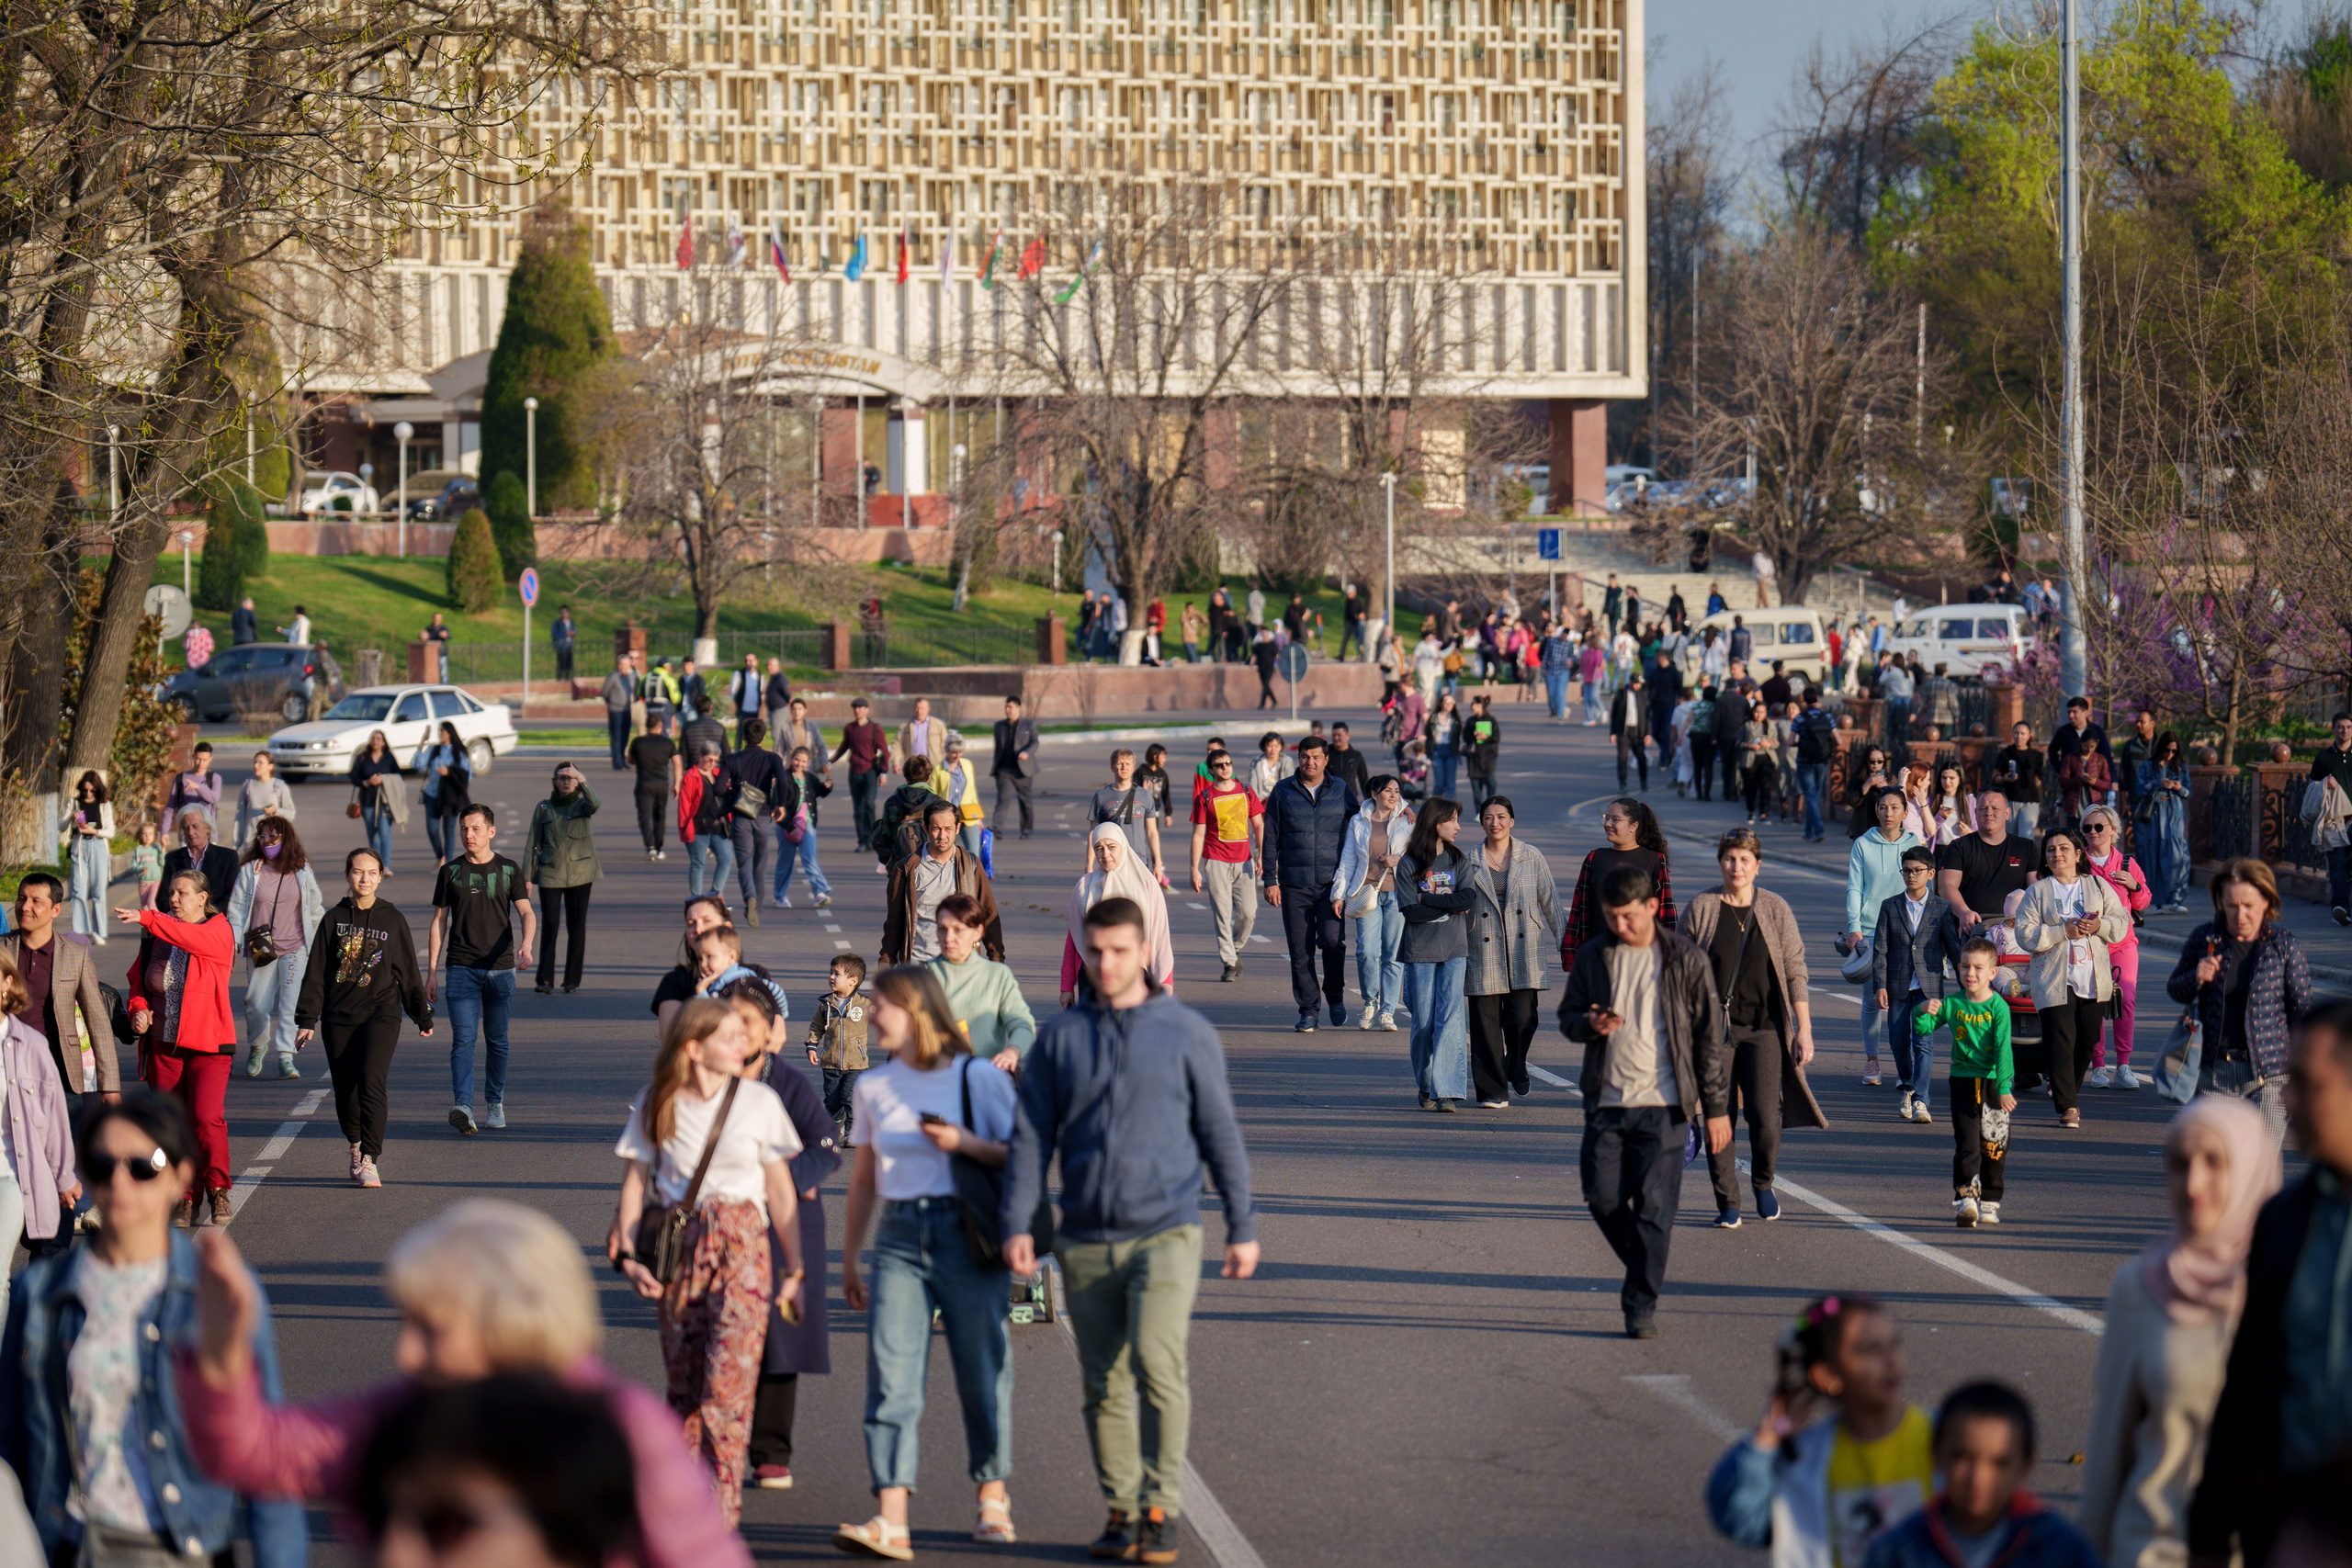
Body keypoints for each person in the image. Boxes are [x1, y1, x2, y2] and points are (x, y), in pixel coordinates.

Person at [1003, 896, 1257, 1563]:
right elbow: (1031, 1136)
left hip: (1166, 1230)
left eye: (1120, 950)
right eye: (1096, 952)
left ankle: (1160, 1506)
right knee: (1102, 1379)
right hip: (1084, 1234)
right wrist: (1024, 1222)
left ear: (1144, 951)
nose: (1107, 964)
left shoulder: (1186, 1032)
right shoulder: (1062, 1037)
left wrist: (1242, 1223)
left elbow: (1219, 1132)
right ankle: (1120, 1507)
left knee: (1156, 1360)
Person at [0, 1092, 309, 1568]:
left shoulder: (218, 1292)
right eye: (103, 1164)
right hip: (75, 1546)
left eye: (146, 1164)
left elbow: (265, 1452)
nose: (121, 1181)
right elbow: (14, 1441)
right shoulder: (41, 1293)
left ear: (180, 1177)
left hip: (186, 1548)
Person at [832, 966, 1018, 1559]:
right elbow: (864, 1178)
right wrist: (851, 1258)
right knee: (892, 1377)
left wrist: (962, 1143)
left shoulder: (975, 1078)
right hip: (899, 1236)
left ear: (914, 1011)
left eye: (880, 1005)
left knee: (980, 1369)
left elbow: (1020, 1154)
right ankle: (892, 1518)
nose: (871, 1013)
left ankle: (993, 1497)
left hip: (966, 1231)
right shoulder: (874, 1088)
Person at [607, 998, 804, 1526]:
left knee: (727, 1383)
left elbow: (781, 1192)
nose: (744, 1043)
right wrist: (628, 1257)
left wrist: (797, 1270)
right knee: (686, 1384)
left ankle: (719, 1515)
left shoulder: (760, 1101)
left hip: (745, 1245)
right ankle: (682, 1504)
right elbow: (635, 1185)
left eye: (745, 1035)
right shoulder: (657, 1100)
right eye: (730, 1036)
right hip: (681, 1246)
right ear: (695, 1048)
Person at [2079, 1095, 2279, 1568]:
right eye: (2179, 1164)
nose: (2194, 1184)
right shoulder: (2140, 1288)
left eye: (2215, 1163)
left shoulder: (2292, 1290)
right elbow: (2109, 1454)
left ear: (2252, 1168)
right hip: (2150, 1552)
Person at [2187, 999, 2352, 1568]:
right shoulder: (2284, 1220)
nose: (2286, 1099)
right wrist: (2210, 1525)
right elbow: (2250, 1378)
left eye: (2307, 1084)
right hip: (2288, 1526)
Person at [1557, 863, 1729, 1337]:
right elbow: (1568, 1016)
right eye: (1612, 917)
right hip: (1608, 1102)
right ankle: (1645, 1264)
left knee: (1655, 1208)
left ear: (1652, 907)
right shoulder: (1595, 957)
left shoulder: (1685, 959)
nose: (1621, 926)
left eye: (1629, 916)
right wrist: (1589, 1024)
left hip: (1666, 1105)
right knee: (1602, 1198)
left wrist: (1715, 1110)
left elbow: (1709, 1040)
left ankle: (1640, 1306)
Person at [711, 976, 839, 1495]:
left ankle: (770, 1452)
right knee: (719, 1337)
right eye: (730, 1024)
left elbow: (826, 1147)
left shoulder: (786, 1083)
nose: (740, 1036)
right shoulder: (702, 1077)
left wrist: (786, 1183)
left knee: (778, 1341)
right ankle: (718, 1447)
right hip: (720, 1225)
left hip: (786, 1225)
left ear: (770, 1033)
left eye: (751, 1026)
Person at [1706, 1293, 1933, 1568]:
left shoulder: (1943, 1438)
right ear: (1827, 1376)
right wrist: (1765, 1441)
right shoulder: (1808, 1460)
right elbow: (1742, 1521)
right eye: (1870, 1349)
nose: (1891, 1360)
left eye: (1894, 1344)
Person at [1684, 827, 1826, 1226]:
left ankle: (1763, 1183)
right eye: (1730, 859)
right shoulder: (1703, 907)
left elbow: (1796, 969)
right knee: (1719, 1116)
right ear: (1720, 862)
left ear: (1758, 866)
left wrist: (1804, 1028)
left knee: (1765, 1115)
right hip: (1713, 1035)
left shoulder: (1776, 909)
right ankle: (1727, 1201)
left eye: (1745, 860)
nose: (1737, 867)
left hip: (1764, 1029)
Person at [292, 847, 431, 1188]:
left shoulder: (392, 920)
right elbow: (316, 973)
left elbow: (408, 972)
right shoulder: (333, 920)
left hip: (381, 1011)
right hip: (339, 1014)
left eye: (371, 872)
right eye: (358, 872)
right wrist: (307, 1019)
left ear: (380, 876)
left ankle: (370, 1157)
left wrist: (421, 1014)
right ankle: (354, 1145)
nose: (365, 878)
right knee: (345, 1090)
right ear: (348, 875)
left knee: (372, 1079)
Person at [2165, 859, 2313, 1148]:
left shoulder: (2283, 945)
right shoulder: (2204, 938)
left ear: (2266, 902)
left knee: (2262, 1165)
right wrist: (2197, 976)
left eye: (2248, 905)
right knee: (2220, 1163)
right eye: (2232, 905)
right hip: (2214, 1075)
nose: (2240, 914)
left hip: (2270, 1078)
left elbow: (2302, 1012)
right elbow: (2176, 989)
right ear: (2220, 902)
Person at [119, 871, 240, 1226]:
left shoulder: (218, 930)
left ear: (203, 898)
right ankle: (185, 1197)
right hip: (164, 1046)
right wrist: (138, 1010)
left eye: (182, 893)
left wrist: (147, 917)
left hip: (209, 1045)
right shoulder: (159, 936)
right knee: (171, 1124)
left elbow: (190, 938)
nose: (174, 899)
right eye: (170, 893)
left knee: (205, 1117)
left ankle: (218, 1188)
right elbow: (138, 982)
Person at [427, 804, 536, 1137]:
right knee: (463, 1039)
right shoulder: (451, 872)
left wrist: (527, 944)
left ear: (491, 831)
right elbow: (439, 922)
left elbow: (526, 913)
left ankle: (494, 1103)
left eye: (475, 829)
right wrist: (431, 971)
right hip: (460, 967)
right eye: (464, 829)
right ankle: (463, 1106)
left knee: (498, 1040)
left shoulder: (508, 870)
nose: (468, 835)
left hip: (501, 969)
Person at [2014, 827, 2131, 1129]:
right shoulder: (2037, 892)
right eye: (2050, 850)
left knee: (2086, 1042)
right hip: (2054, 980)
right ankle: (2068, 1105)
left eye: (2064, 848)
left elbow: (2120, 923)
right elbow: (2025, 934)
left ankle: (2067, 1089)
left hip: (2093, 979)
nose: (2057, 854)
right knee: (2060, 1040)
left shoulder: (2097, 886)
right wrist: (2060, 932)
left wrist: (2098, 926)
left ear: (2078, 854)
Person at [1463, 795, 1559, 1106]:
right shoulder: (1469, 860)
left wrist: (1567, 942)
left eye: (1502, 816)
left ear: (1512, 821)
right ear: (1482, 822)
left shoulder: (1531, 856)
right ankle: (1492, 1090)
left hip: (1524, 947)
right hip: (1483, 948)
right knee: (1485, 1025)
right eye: (1489, 817)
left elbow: (1551, 902)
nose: (1496, 823)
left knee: (1523, 1018)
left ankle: (1516, 1064)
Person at [0, 949, 80, 1317]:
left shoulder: (30, 1045)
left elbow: (53, 1117)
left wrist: (64, 1177)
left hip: (10, 1178)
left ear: (7, 984)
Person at [1915, 939, 2017, 1226]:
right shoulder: (1953, 1003)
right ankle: (1966, 1199)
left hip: (1994, 1084)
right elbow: (1924, 1028)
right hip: (1962, 1081)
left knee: (1994, 1146)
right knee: (1967, 1144)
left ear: (1992, 973)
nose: (1970, 973)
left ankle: (1990, 1202)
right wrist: (1922, 1010)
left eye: (1978, 968)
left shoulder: (1998, 1007)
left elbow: (2002, 1048)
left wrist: (2005, 1087)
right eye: (1964, 966)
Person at [5, 873, 120, 1122]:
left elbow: (98, 1021)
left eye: (36, 901)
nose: (25, 907)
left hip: (61, 1074)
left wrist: (110, 1085)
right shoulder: (2, 950)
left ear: (55, 909)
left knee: (62, 1158)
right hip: (8, 1071)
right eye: (21, 898)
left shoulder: (75, 955)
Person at [1262, 735, 1359, 1034]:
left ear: (1326, 759)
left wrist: (1401, 809)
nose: (1310, 762)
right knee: (1300, 950)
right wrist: (1270, 880)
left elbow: (1364, 822)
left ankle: (1334, 992)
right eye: (1305, 756)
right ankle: (1308, 1009)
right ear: (1299, 758)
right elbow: (1270, 837)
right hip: (1294, 885)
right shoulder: (1283, 791)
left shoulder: (1341, 789)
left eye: (1316, 757)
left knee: (1333, 941)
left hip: (1332, 886)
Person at [225, 816, 324, 1081]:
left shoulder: (302, 870)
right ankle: (258, 1046)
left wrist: (319, 947)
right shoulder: (251, 871)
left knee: (290, 1004)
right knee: (256, 1004)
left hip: (295, 946)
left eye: (273, 836)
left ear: (286, 839)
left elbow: (315, 910)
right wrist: (232, 943)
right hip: (260, 947)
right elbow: (236, 911)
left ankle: (285, 1056)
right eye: (263, 837)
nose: (267, 841)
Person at [1873, 846, 1963, 1115]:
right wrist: (1879, 984)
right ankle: (1910, 1083)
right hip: (1897, 985)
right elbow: (1880, 949)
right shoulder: (1890, 906)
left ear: (1930, 873)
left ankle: (1921, 1100)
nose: (1911, 875)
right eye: (1906, 871)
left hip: (1929, 986)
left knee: (1923, 1042)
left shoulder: (1942, 908)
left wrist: (1967, 981)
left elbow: (1953, 947)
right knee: (1898, 1042)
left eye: (1917, 871)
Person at [1396, 798, 1474, 1111]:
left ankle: (1447, 1091)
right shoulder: (1409, 864)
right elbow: (1411, 911)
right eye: (1452, 820)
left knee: (1450, 1018)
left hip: (1455, 947)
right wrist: (1448, 901)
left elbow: (1467, 898)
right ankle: (1426, 1084)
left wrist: (1427, 896)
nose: (1458, 826)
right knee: (1424, 1021)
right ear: (1435, 822)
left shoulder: (1458, 859)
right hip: (1421, 951)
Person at [1845, 789, 1925, 1086]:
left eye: (1895, 807)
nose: (1889, 813)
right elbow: (1855, 887)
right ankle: (1872, 1060)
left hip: (1906, 930)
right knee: (1871, 999)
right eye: (1883, 807)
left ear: (1905, 812)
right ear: (1876, 811)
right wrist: (1854, 926)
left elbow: (1923, 887)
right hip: (1869, 928)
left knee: (1906, 998)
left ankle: (1906, 1066)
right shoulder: (1863, 844)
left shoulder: (1913, 843)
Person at [2080, 805, 2153, 1089]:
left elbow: (2143, 902)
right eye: (2087, 828)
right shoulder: (2079, 862)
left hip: (2123, 942)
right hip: (2089, 942)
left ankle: (2123, 1065)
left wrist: (2135, 886)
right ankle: (2098, 1066)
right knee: (2095, 1000)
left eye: (2098, 827)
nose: (2093, 833)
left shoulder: (2126, 863)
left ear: (2112, 830)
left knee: (2126, 998)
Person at [1061, 823, 1174, 1006]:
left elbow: (1159, 934)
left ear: (1123, 846)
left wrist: (1165, 982)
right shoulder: (1084, 887)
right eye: (1099, 848)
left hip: (1133, 973)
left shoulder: (1146, 883)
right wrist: (1066, 987)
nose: (1105, 854)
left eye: (1112, 847)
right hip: (1092, 975)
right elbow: (1074, 938)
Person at [881, 801, 1004, 966]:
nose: (942, 836)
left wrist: (996, 959)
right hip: (920, 966)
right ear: (925, 829)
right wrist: (886, 964)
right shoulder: (906, 869)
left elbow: (988, 913)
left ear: (958, 829)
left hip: (961, 966)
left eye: (948, 829)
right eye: (936, 829)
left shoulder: (971, 865)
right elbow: (893, 923)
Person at [924, 894, 1035, 1075]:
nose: (948, 937)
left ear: (978, 932)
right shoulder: (924, 975)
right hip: (936, 1080)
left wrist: (1012, 1051)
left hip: (987, 1078)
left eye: (958, 930)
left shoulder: (997, 975)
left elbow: (1023, 1025)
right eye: (942, 929)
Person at [1333, 774, 1410, 1031]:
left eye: (1397, 791)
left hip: (1397, 894)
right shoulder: (1358, 821)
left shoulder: (1407, 820)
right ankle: (1370, 1002)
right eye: (1388, 790)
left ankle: (1387, 1011)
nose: (1393, 795)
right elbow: (1348, 860)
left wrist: (1398, 859)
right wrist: (1338, 894)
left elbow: (1419, 854)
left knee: (1393, 954)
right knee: (1367, 951)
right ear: (1374, 794)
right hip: (1366, 894)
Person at [1561, 796, 1676, 963]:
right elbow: (1580, 910)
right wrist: (1574, 953)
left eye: (1615, 819)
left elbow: (1666, 914)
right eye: (1606, 818)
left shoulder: (1654, 860)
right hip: (1599, 956)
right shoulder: (1594, 858)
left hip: (1641, 958)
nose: (1608, 824)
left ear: (1633, 826)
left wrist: (1667, 954)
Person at [522, 761, 603, 994]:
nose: (566, 781)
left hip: (581, 873)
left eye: (571, 778)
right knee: (550, 923)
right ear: (554, 782)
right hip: (550, 872)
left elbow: (595, 803)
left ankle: (571, 980)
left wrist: (582, 777)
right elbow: (531, 843)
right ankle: (545, 979)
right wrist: (526, 876)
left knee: (577, 926)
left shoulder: (582, 805)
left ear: (578, 783)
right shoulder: (544, 808)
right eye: (562, 777)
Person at [1191, 749, 1264, 983]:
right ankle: (1229, 962)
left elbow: (1259, 825)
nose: (1225, 768)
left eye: (1228, 763)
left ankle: (1235, 948)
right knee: (1222, 914)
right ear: (1211, 770)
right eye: (1220, 765)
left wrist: (1262, 854)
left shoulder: (1245, 791)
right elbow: (1198, 834)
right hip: (1216, 862)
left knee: (1248, 913)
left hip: (1244, 862)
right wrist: (1194, 868)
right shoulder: (1204, 797)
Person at [1937, 790, 2040, 934]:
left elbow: (2035, 887)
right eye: (1983, 808)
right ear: (1975, 812)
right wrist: (1964, 912)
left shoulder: (2026, 847)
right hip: (1973, 929)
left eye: (1995, 808)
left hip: (2015, 930)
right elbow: (1946, 886)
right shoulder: (1959, 847)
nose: (1988, 812)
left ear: (2007, 813)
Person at [719, 720, 788, 925]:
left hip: (741, 817)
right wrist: (781, 805)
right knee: (760, 865)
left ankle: (749, 896)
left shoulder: (732, 759)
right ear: (764, 738)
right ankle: (756, 907)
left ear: (743, 737)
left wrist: (734, 792)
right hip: (764, 815)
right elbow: (783, 781)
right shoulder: (772, 758)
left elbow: (717, 788)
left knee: (744, 864)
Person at [808, 953, 870, 1142]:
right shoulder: (826, 1005)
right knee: (833, 1100)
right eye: (831, 973)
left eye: (837, 973)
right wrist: (812, 1046)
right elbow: (816, 1027)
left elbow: (884, 1018)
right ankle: (836, 1129)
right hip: (831, 1062)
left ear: (853, 980)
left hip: (856, 1064)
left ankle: (853, 1132)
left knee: (849, 1098)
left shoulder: (865, 1004)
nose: (831, 977)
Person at [1090, 747, 1165, 881]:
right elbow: (1093, 834)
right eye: (1119, 764)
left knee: (1137, 901)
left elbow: (1152, 832)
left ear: (1133, 767)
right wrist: (1089, 864)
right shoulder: (1101, 796)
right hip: (1111, 861)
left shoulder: (1144, 795)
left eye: (1128, 764)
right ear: (1112, 767)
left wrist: (1158, 863)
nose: (1124, 767)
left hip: (1138, 860)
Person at [775, 745, 834, 910]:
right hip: (786, 825)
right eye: (796, 760)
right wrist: (788, 826)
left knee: (810, 858)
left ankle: (819, 893)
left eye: (803, 761)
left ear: (808, 763)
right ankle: (779, 896)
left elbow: (819, 792)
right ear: (791, 759)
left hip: (806, 823)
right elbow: (776, 806)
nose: (799, 764)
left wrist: (828, 786)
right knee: (785, 862)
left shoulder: (809, 778)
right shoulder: (783, 779)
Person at [2140, 733, 2192, 912]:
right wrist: (2156, 783)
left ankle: (2176, 899)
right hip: (2154, 814)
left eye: (2174, 751)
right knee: (2154, 856)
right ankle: (2158, 901)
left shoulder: (2180, 767)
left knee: (2177, 857)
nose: (2170, 754)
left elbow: (2188, 792)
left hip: (2173, 813)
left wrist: (2178, 787)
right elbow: (2138, 788)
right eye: (2167, 750)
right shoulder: (2147, 766)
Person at [677, 747, 738, 897]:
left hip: (718, 826)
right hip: (698, 827)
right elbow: (685, 804)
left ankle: (715, 894)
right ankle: (696, 899)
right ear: (700, 756)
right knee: (698, 863)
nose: (712, 763)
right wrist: (685, 826)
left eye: (716, 761)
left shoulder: (719, 774)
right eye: (709, 759)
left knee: (726, 859)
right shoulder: (691, 776)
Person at [63, 770, 115, 943]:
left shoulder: (104, 804)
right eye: (85, 790)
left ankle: (99, 932)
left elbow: (111, 831)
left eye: (92, 790)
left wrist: (95, 831)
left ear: (98, 789)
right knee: (77, 890)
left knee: (98, 891)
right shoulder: (74, 803)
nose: (88, 793)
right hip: (79, 847)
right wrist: (71, 817)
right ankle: (81, 932)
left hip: (98, 846)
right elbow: (61, 825)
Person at [2311, 711, 2352, 924]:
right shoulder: (2323, 758)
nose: (2344, 731)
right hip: (2334, 820)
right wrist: (2325, 784)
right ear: (2333, 729)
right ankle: (2340, 908)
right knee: (2336, 864)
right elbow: (2312, 786)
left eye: (2348, 727)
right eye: (2340, 727)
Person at [874, 755, 947, 872]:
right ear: (928, 777)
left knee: (902, 889)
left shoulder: (892, 802)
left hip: (900, 863)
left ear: (905, 776)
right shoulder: (937, 803)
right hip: (931, 863)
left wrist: (887, 861)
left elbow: (884, 836)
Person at [348, 728, 404, 872]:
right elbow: (354, 777)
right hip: (367, 800)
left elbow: (398, 776)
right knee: (373, 834)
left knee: (384, 831)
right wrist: (366, 782)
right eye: (373, 738)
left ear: (384, 742)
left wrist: (383, 779)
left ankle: (385, 866)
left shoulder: (389, 758)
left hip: (386, 801)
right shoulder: (362, 757)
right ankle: (376, 865)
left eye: (378, 739)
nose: (375, 741)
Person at [416, 720, 471, 865]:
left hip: (449, 796)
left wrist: (449, 772)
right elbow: (417, 764)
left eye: (443, 730)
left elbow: (467, 774)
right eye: (439, 730)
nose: (441, 733)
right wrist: (423, 742)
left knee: (449, 829)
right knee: (432, 828)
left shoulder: (459, 752)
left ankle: (447, 862)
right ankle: (440, 856)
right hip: (432, 794)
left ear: (450, 733)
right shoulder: (435, 750)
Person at [629, 711, 679, 861]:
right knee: (660, 815)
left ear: (646, 725)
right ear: (660, 726)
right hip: (662, 784)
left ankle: (650, 846)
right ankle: (659, 847)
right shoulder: (668, 743)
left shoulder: (638, 742)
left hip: (644, 784)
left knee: (644, 815)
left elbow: (630, 760)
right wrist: (677, 783)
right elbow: (677, 763)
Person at [990, 695, 1038, 840]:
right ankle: (997, 828)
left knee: (1025, 801)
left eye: (1010, 707)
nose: (1007, 710)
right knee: (1002, 799)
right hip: (1004, 769)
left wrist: (1026, 753)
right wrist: (995, 769)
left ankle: (1026, 829)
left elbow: (1034, 742)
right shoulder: (999, 726)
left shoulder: (1028, 724)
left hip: (1022, 770)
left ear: (1018, 708)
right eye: (1006, 707)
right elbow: (998, 749)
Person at [1991, 723, 2046, 838]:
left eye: (2022, 734)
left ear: (2029, 735)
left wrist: (2041, 803)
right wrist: (2005, 778)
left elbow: (2038, 781)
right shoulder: (2006, 753)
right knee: (2010, 836)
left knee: (2026, 835)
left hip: (2030, 801)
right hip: (2010, 800)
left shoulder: (2036, 755)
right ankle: (2011, 857)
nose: (2019, 736)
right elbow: (1995, 777)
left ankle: (2025, 856)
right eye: (2016, 733)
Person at [233, 751, 296, 850]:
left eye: (260, 763)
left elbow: (291, 814)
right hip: (251, 843)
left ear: (270, 766)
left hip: (273, 842)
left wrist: (275, 811)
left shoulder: (280, 787)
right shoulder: (248, 785)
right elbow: (240, 815)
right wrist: (236, 844)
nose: (256, 765)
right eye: (255, 762)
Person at [164, 741, 224, 838]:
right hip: (186, 836)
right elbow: (170, 807)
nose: (200, 763)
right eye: (198, 759)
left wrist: (199, 787)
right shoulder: (181, 778)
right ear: (193, 757)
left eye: (205, 760)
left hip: (208, 836)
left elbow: (214, 798)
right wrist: (164, 832)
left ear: (210, 759)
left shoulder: (214, 778)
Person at [1463, 694, 1502, 811]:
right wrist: (1474, 735)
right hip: (1474, 758)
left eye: (1473, 704)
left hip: (1489, 757)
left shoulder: (1491, 720)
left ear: (1480, 705)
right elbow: (1465, 737)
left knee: (1491, 783)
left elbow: (1496, 737)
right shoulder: (1470, 721)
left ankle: (1490, 807)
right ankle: (1479, 811)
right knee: (1476, 787)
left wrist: (1486, 736)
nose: (1471, 706)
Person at [604, 653, 639, 770]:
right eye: (622, 664)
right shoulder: (613, 677)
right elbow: (605, 692)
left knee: (625, 736)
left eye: (626, 665)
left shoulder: (631, 677)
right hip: (616, 710)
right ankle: (617, 761)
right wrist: (613, 702)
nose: (624, 667)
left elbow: (634, 691)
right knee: (617, 736)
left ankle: (622, 760)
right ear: (618, 665)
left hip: (627, 709)